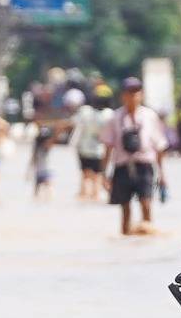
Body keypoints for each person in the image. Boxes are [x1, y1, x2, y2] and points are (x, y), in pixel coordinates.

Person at [101, 77, 168, 236]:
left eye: (136, 92)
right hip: (122, 167)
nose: (133, 96)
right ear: (123, 96)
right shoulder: (115, 118)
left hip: (144, 165)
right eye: (129, 93)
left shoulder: (149, 116)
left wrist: (163, 174)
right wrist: (104, 174)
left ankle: (148, 240)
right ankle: (126, 239)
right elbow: (108, 147)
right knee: (125, 209)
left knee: (146, 204)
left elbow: (160, 146)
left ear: (141, 95)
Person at [69, 89, 109, 200]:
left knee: (85, 174)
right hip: (99, 150)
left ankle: (84, 194)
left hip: (84, 148)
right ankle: (95, 195)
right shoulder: (108, 115)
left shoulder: (85, 112)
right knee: (97, 175)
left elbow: (73, 123)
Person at [29, 125, 55, 200]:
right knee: (47, 186)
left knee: (39, 188)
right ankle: (46, 199)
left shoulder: (38, 146)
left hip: (40, 169)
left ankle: (39, 199)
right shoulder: (42, 146)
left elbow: (33, 158)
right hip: (43, 169)